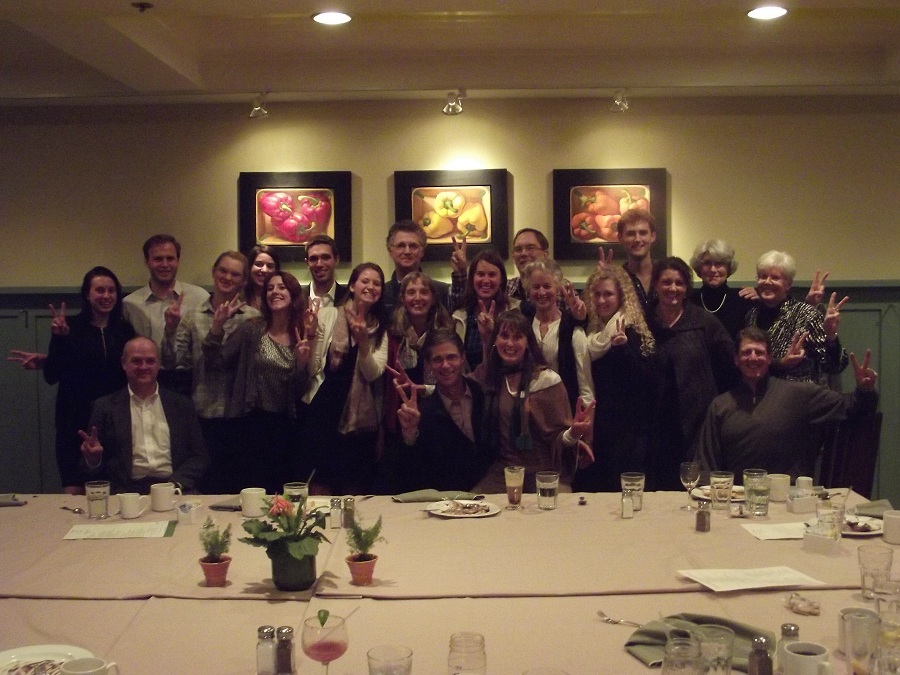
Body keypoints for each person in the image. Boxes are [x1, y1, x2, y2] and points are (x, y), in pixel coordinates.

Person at [697, 327, 878, 481]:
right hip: (735, 501)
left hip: (787, 501)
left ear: (769, 358)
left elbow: (850, 406)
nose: (753, 358)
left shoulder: (799, 394)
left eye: (759, 352)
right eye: (746, 352)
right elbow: (706, 465)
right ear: (736, 360)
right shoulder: (720, 405)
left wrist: (865, 389)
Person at [202, 271, 311, 493]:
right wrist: (216, 327)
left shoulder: (301, 333)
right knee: (252, 492)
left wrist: (301, 364)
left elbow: (300, 391)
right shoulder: (252, 329)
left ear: (293, 294)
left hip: (285, 428)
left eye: (281, 287)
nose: (274, 292)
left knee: (282, 495)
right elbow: (216, 361)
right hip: (251, 423)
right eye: (270, 288)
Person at [161, 251, 260, 493]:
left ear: (243, 281)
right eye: (223, 271)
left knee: (239, 488)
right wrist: (170, 330)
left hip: (241, 416)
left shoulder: (253, 319)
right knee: (207, 489)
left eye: (235, 274)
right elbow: (173, 363)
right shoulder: (193, 316)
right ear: (213, 272)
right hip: (203, 414)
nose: (227, 277)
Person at [471, 309, 594, 494]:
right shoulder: (489, 376)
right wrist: (425, 389)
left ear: (528, 342)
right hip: (504, 471)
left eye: (517, 337)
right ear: (495, 340)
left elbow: (559, 439)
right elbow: (458, 387)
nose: (510, 343)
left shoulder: (547, 380)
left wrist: (574, 433)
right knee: (473, 505)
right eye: (504, 336)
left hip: (544, 472)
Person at [41, 267, 136, 493]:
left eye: (111, 290)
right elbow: (51, 375)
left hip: (113, 422)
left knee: (112, 490)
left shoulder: (125, 331)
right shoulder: (69, 327)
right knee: (74, 490)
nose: (106, 296)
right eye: (99, 290)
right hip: (73, 422)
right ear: (87, 294)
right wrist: (60, 340)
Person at [646, 257, 736, 490]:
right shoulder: (643, 322)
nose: (673, 288)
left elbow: (732, 362)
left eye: (679, 283)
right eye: (666, 282)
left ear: (687, 288)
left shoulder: (704, 322)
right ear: (655, 285)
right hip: (653, 424)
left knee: (694, 488)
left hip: (696, 422)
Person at [78, 337, 208, 494]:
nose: (144, 367)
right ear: (124, 364)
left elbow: (199, 456)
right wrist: (93, 460)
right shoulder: (105, 407)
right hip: (126, 494)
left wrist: (175, 485)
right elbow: (90, 470)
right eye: (136, 361)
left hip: (175, 489)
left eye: (150, 361)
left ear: (159, 364)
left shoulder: (181, 405)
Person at [303, 262, 389, 495]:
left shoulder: (381, 328)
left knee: (355, 493)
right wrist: (310, 334)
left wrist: (363, 342)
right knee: (320, 490)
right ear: (352, 286)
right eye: (365, 281)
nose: (370, 287)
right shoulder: (329, 315)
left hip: (360, 425)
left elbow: (372, 374)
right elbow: (313, 368)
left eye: (377, 283)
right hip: (324, 415)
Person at [377, 329, 492, 493]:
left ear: (463, 357)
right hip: (447, 501)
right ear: (429, 365)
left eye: (451, 357)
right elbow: (410, 474)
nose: (445, 365)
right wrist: (410, 435)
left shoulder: (483, 395)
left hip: (492, 493)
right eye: (437, 359)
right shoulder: (422, 412)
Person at [573, 267, 656, 492]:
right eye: (597, 294)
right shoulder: (591, 331)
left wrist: (623, 349)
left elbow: (645, 380)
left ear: (621, 297)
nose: (601, 300)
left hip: (628, 430)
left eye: (608, 294)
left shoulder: (632, 329)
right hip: (600, 425)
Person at [746, 250, 848, 386]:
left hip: (800, 395)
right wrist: (780, 363)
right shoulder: (751, 315)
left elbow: (834, 366)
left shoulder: (807, 315)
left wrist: (830, 337)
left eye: (775, 278)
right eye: (763, 276)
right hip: (759, 392)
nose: (767, 282)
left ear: (788, 284)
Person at [123, 234, 208, 395]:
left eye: (170, 258)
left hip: (189, 381)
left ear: (178, 261)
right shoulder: (129, 304)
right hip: (145, 381)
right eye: (158, 259)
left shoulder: (200, 298)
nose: (165, 264)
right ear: (147, 262)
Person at [383, 271, 454, 440]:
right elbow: (385, 386)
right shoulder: (392, 336)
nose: (418, 298)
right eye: (411, 292)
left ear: (433, 298)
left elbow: (457, 381)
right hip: (401, 418)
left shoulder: (447, 336)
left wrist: (422, 389)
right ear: (402, 298)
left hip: (441, 416)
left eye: (423, 292)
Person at [521, 259, 592, 412]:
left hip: (564, 410)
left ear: (558, 288)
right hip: (529, 411)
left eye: (547, 286)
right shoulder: (523, 326)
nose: (541, 292)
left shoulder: (572, 328)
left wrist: (587, 416)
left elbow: (584, 382)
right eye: (536, 287)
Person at [451, 249, 518, 369]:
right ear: (472, 278)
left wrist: (490, 334)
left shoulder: (515, 311)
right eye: (480, 274)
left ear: (502, 279)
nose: (486, 281)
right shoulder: (460, 316)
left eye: (492, 275)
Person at [688, 239, 756, 341]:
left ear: (728, 268)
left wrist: (761, 296)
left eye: (719, 263)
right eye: (707, 263)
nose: (713, 269)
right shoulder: (689, 300)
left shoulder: (743, 298)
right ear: (699, 268)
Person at [382, 220, 451, 315]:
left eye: (413, 246)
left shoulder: (441, 291)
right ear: (390, 251)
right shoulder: (381, 294)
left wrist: (460, 273)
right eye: (401, 246)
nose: (407, 251)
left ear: (422, 251)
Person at [598, 208, 658, 309]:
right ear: (620, 238)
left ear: (652, 236)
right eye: (631, 234)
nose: (637, 239)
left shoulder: (663, 275)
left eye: (643, 233)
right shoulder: (616, 279)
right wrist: (602, 281)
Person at [304, 234, 347, 307]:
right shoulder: (296, 298)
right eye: (313, 259)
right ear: (307, 263)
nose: (319, 264)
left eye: (325, 257)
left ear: (336, 260)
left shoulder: (349, 298)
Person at [244, 245, 281, 311]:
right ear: (250, 267)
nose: (264, 270)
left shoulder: (281, 297)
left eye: (270, 266)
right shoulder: (238, 295)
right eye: (258, 264)